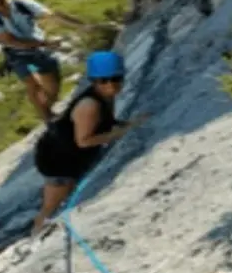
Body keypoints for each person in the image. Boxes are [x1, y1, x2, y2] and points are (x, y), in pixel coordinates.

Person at [31, 50, 147, 235]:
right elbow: (84, 141)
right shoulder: (90, 105)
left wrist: (127, 124)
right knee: (52, 204)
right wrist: (120, 133)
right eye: (104, 80)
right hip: (57, 160)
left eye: (116, 78)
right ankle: (36, 234)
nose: (111, 85)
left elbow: (105, 123)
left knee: (66, 193)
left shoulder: (104, 96)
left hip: (64, 152)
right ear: (94, 81)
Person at [0, 0, 86, 123]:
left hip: (40, 50)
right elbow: (9, 40)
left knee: (53, 88)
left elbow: (51, 16)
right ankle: (47, 117)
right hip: (18, 54)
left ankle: (47, 107)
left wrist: (81, 26)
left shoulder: (22, 4)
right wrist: (45, 43)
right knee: (33, 85)